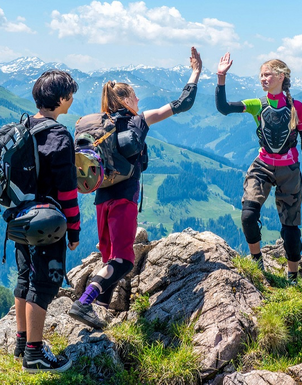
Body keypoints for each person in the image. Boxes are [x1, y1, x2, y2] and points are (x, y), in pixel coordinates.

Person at [68, 47, 202, 328]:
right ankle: (84, 303)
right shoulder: (138, 120)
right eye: (135, 95)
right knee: (125, 260)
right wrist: (195, 72)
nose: (139, 99)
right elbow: (182, 103)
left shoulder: (98, 125)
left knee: (109, 260)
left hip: (101, 199)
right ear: (126, 99)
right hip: (124, 201)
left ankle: (99, 317)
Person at [215, 52, 302, 284]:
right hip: (262, 165)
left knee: (290, 229)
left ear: (281, 76)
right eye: (261, 75)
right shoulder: (257, 105)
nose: (263, 79)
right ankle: (256, 261)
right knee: (248, 215)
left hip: (289, 169)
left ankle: (292, 276)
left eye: (267, 74)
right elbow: (223, 107)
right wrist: (221, 78)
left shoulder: (296, 107)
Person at [13, 70, 81, 373]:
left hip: (18, 219)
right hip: (46, 223)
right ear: (62, 99)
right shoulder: (59, 135)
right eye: (71, 95)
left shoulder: (21, 128)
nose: (72, 99)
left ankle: (21, 342)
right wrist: (74, 230)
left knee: (25, 278)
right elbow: (67, 191)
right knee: (43, 284)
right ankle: (35, 355)